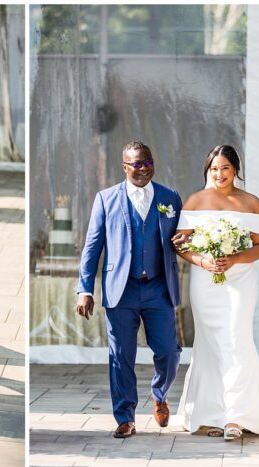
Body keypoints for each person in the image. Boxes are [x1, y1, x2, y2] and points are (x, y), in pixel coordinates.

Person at [76, 141, 184, 438]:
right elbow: (92, 247)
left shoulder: (170, 197)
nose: (143, 168)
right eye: (136, 164)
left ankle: (160, 394)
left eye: (147, 161)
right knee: (120, 356)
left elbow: (184, 238)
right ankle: (125, 417)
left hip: (159, 288)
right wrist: (84, 289)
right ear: (124, 167)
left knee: (169, 352)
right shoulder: (106, 198)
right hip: (120, 289)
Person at [170, 144, 259, 441]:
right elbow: (181, 244)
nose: (219, 174)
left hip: (240, 281)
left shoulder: (251, 202)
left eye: (225, 168)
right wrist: (204, 260)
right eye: (214, 169)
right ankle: (211, 413)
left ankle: (237, 416)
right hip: (205, 282)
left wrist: (234, 259)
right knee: (210, 342)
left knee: (235, 338)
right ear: (208, 170)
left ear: (235, 170)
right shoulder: (195, 200)